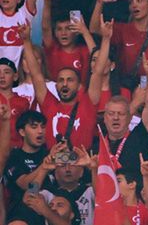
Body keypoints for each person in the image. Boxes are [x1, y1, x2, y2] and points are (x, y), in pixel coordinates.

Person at [20, 19, 106, 149]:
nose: (65, 84)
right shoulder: (49, 105)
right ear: (56, 86)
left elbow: (98, 71)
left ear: (79, 86)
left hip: (81, 165)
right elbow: (36, 74)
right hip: (54, 166)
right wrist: (26, 41)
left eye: (70, 80)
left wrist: (106, 39)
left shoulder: (88, 104)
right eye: (61, 80)